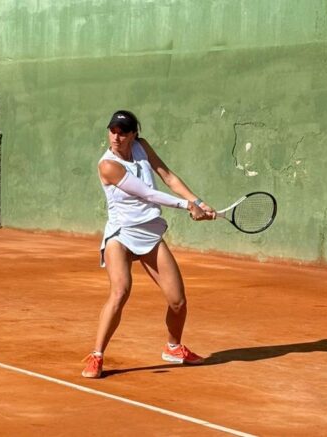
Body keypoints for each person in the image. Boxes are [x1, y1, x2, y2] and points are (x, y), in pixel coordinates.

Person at [82, 110, 215, 378]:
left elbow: (168, 176)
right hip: (121, 234)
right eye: (112, 131)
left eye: (122, 132)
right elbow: (147, 193)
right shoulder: (107, 165)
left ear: (133, 135)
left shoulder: (142, 147)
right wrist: (186, 205)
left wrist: (198, 202)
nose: (116, 137)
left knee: (178, 301)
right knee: (120, 291)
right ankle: (96, 355)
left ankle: (173, 347)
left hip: (149, 233)